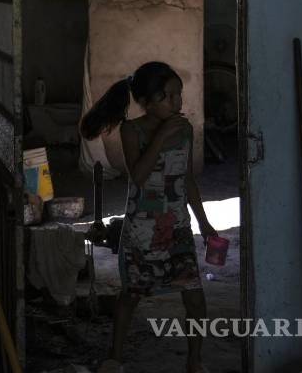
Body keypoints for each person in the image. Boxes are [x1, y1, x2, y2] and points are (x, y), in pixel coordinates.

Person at [81, 62, 216, 373]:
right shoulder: (133, 130)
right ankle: (114, 357)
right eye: (169, 96)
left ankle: (195, 362)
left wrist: (204, 223)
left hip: (178, 226)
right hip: (142, 228)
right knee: (131, 295)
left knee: (194, 297)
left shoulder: (184, 130)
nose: (178, 102)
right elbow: (139, 176)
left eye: (179, 95)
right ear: (147, 101)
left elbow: (188, 180)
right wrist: (161, 137)